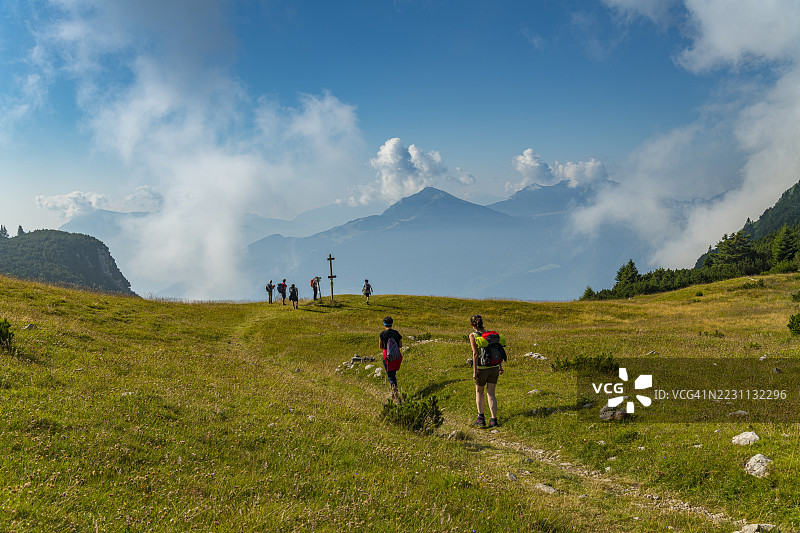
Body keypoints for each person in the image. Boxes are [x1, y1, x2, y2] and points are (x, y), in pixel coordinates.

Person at [469, 314, 506, 428]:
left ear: (472, 325)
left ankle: (481, 418)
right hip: (494, 367)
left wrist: (475, 371)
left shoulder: (473, 335)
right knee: (491, 393)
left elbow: (475, 354)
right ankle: (493, 420)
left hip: (482, 368)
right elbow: (497, 350)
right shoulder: (491, 334)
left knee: (479, 391)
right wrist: (500, 367)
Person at [379, 316, 403, 402]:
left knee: (390, 376)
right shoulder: (396, 333)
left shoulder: (382, 334)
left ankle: (395, 396)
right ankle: (393, 393)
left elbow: (381, 346)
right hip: (396, 356)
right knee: (393, 374)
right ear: (392, 324)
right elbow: (400, 345)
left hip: (387, 357)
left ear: (384, 324)